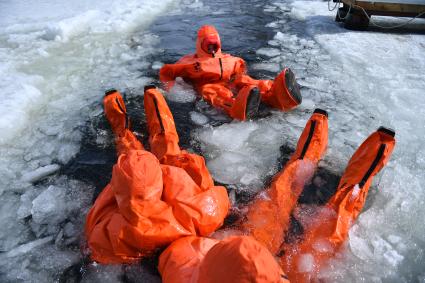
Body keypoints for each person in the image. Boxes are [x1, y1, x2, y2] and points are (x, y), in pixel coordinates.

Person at [157, 109, 396, 283]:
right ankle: (359, 175)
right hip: (277, 273)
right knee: (330, 229)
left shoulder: (181, 268)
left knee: (275, 201)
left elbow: (180, 250)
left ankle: (308, 153)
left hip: (246, 255)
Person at [84, 86, 229, 264]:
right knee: (166, 140)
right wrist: (174, 167)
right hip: (170, 183)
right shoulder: (189, 218)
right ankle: (152, 93)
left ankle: (113, 105)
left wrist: (119, 184)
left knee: (126, 144)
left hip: (141, 199)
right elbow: (217, 198)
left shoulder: (112, 233)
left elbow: (97, 217)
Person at [159, 25, 302, 121]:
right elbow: (167, 72)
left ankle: (278, 94)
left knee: (250, 82)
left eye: (214, 43)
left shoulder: (229, 58)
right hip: (207, 84)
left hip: (232, 79)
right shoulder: (188, 62)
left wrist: (240, 76)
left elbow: (241, 67)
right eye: (208, 43)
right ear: (200, 43)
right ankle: (236, 107)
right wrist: (173, 88)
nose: (211, 46)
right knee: (214, 92)